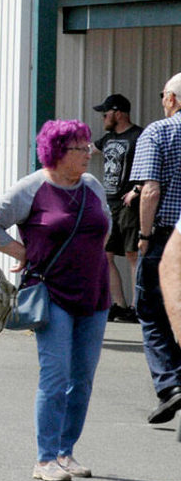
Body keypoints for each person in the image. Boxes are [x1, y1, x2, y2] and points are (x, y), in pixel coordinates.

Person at [0, 120, 111, 481]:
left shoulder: (92, 186)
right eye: (80, 148)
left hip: (95, 293)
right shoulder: (31, 188)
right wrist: (21, 250)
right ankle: (44, 459)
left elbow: (103, 229)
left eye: (88, 146)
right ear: (58, 152)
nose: (88, 153)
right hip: (52, 294)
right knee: (55, 377)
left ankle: (65, 451)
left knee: (83, 379)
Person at [128, 72, 181, 425]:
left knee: (151, 309)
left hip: (167, 238)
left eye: (164, 94)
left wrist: (144, 236)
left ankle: (170, 385)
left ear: (173, 99)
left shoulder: (158, 132)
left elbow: (150, 190)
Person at [92, 94, 143, 323]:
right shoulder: (108, 138)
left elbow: (151, 164)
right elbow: (88, 150)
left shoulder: (139, 136)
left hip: (129, 204)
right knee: (106, 254)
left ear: (118, 113)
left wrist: (138, 189)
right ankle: (118, 304)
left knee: (133, 254)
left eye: (106, 113)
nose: (103, 118)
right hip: (109, 203)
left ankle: (136, 307)